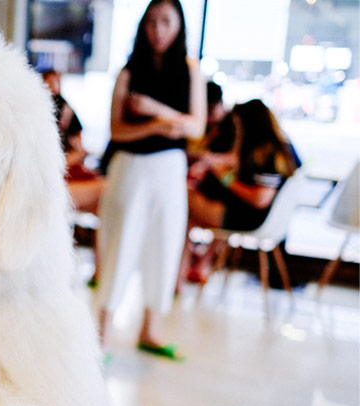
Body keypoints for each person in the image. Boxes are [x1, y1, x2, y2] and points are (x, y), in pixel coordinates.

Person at [95, 0, 206, 359]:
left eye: (166, 22)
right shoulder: (128, 72)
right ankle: (103, 335)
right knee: (121, 245)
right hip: (130, 167)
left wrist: (156, 114)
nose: (158, 30)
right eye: (152, 22)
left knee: (165, 244)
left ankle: (150, 329)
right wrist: (160, 126)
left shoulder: (191, 70)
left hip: (170, 169)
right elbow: (116, 130)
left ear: (179, 26)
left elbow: (195, 126)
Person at [182, 99, 299, 281]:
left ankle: (182, 271)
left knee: (183, 200)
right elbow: (230, 159)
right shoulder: (269, 148)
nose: (236, 129)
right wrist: (210, 162)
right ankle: (197, 264)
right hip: (249, 215)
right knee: (188, 210)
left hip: (250, 218)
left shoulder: (267, 153)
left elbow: (260, 199)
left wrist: (227, 179)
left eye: (238, 124)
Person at [42, 69, 105, 214]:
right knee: (105, 189)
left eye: (55, 82)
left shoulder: (67, 109)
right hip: (56, 172)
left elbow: (79, 144)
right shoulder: (39, 114)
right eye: (49, 82)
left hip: (66, 167)